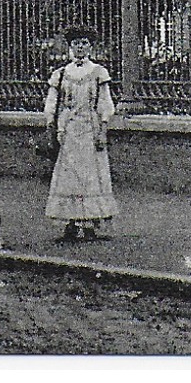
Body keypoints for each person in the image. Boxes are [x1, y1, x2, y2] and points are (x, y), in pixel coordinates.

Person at [43, 25, 118, 242]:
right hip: (68, 131)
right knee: (70, 176)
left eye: (84, 43)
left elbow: (105, 103)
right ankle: (72, 222)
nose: (80, 47)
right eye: (76, 43)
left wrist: (103, 129)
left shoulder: (98, 72)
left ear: (90, 47)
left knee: (91, 175)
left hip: (90, 128)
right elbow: (51, 102)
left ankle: (89, 221)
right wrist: (51, 125)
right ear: (70, 47)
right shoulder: (62, 74)